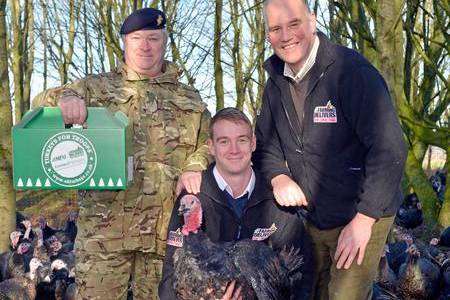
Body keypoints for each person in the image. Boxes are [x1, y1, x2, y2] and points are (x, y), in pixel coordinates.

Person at [33, 7, 211, 300]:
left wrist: (195, 164)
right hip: (105, 234)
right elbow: (41, 104)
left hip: (163, 234)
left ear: (164, 41)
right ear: (124, 43)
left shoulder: (188, 98)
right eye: (137, 38)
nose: (145, 46)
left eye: (153, 38)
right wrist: (65, 100)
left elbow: (211, 141)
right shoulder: (95, 88)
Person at [252, 0, 407, 299]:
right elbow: (266, 147)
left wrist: (364, 219)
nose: (286, 35)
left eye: (294, 23)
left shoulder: (351, 73)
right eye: (275, 28)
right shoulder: (274, 85)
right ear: (268, 35)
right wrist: (278, 177)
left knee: (344, 295)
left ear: (312, 21)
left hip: (362, 211)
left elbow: (389, 149)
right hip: (312, 216)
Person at [158, 108, 313, 299]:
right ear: (211, 147)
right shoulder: (193, 199)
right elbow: (170, 277)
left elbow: (302, 275)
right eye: (224, 141)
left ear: (253, 143)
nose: (234, 149)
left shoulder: (278, 200)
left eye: (242, 140)